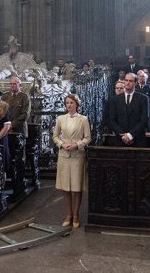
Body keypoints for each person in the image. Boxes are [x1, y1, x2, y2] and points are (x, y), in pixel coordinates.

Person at [53, 94, 91, 229]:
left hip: (77, 155)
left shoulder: (83, 119)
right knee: (66, 187)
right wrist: (62, 144)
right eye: (67, 103)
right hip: (64, 155)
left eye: (71, 103)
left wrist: (77, 145)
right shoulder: (60, 119)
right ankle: (68, 214)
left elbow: (87, 138)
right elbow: (55, 136)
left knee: (76, 188)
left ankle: (76, 214)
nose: (69, 105)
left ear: (77, 104)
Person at [107, 73, 148, 147]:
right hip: (120, 140)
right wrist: (122, 136)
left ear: (135, 83)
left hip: (137, 139)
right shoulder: (115, 99)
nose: (128, 82)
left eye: (130, 81)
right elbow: (111, 120)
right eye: (126, 80)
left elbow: (144, 120)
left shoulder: (143, 98)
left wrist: (130, 135)